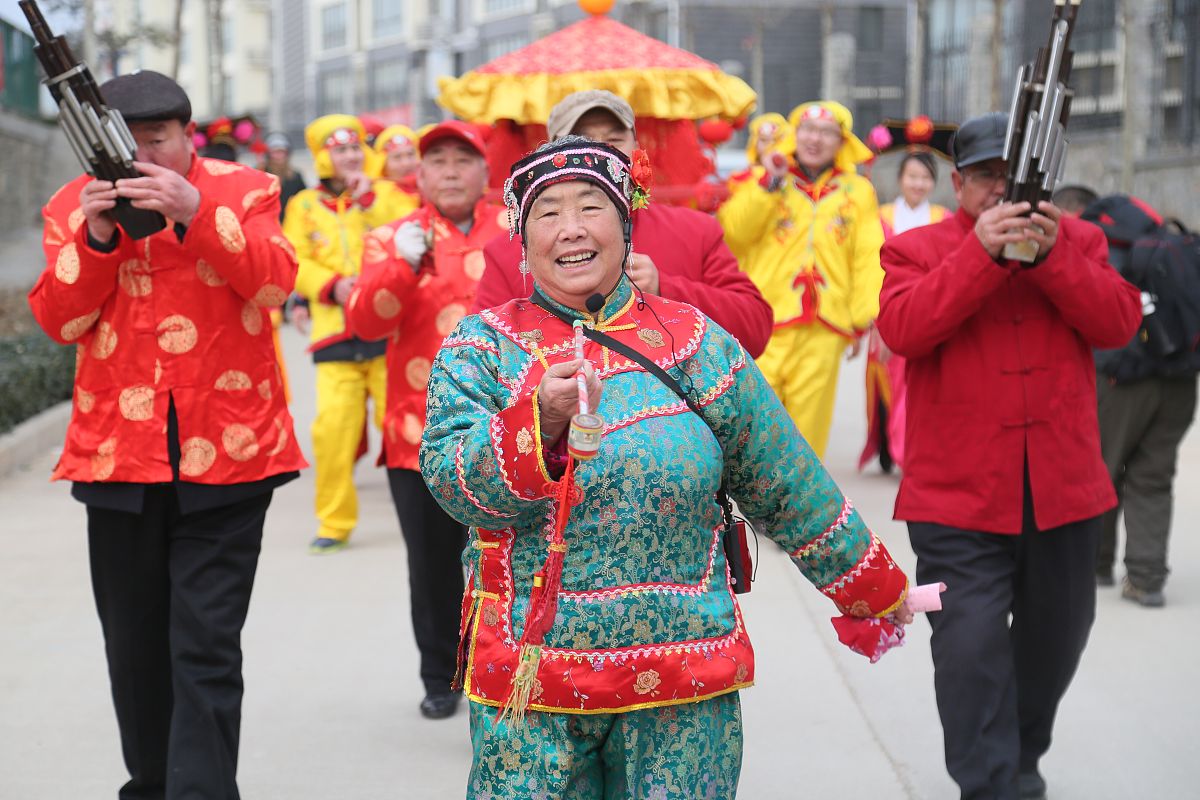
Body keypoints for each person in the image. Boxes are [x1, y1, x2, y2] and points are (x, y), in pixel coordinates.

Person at [420, 135, 914, 798]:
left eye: (591, 207)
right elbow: (454, 484)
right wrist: (539, 422)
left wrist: (873, 588)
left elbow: (783, 479)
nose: (571, 229)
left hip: (686, 673)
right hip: (532, 681)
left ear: (625, 224)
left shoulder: (696, 341)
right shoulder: (481, 349)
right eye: (548, 212)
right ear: (522, 238)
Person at [27, 70, 307, 800]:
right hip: (117, 457)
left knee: (206, 647)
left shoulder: (245, 190)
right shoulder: (71, 205)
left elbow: (277, 285)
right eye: (126, 146)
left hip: (234, 454)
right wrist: (94, 236)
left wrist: (196, 211)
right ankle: (151, 784)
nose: (141, 161)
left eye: (157, 143)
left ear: (188, 136)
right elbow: (60, 320)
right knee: (134, 649)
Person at [876, 112, 1142, 800]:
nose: (1003, 190)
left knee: (1059, 637)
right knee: (968, 652)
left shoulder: (1079, 240)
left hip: (1063, 490)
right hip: (957, 499)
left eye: (1018, 177)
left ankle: (1021, 753)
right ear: (958, 183)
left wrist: (1054, 258)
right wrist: (981, 257)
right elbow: (904, 329)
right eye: (989, 176)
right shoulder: (919, 247)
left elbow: (1117, 321)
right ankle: (990, 783)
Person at [346, 120, 505, 720]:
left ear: (486, 174)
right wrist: (399, 268)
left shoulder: (515, 233)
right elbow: (365, 325)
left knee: (507, 556)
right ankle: (441, 674)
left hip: (509, 428)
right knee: (433, 563)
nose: (451, 171)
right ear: (419, 174)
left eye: (463, 160)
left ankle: (503, 667)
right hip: (420, 434)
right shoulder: (392, 238)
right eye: (437, 160)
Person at [474, 89, 772, 359]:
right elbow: (483, 361)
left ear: (638, 149)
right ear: (551, 157)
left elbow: (755, 332)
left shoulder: (694, 232)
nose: (602, 154)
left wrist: (665, 287)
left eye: (615, 140)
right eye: (583, 142)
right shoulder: (509, 252)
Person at [718, 100, 885, 457]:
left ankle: (799, 508)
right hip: (765, 316)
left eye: (827, 132)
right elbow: (734, 233)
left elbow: (869, 254)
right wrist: (771, 181)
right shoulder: (763, 179)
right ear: (794, 136)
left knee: (805, 431)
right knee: (754, 419)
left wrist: (861, 317)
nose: (815, 139)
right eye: (808, 130)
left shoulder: (857, 190)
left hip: (824, 324)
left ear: (841, 142)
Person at [283, 114, 413, 554]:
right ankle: (334, 522)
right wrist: (329, 285)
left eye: (356, 147)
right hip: (335, 336)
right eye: (340, 150)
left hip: (391, 332)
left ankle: (431, 517)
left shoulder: (389, 196)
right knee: (333, 432)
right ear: (323, 157)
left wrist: (369, 201)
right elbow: (293, 258)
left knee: (402, 429)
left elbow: (411, 233)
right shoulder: (302, 205)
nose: (351, 156)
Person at [1080, 194, 1200, 605]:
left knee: (1101, 469)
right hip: (1182, 378)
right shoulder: (1169, 242)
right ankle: (1147, 579)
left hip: (1123, 380)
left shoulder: (1098, 245)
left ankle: (1095, 566)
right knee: (1154, 476)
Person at [860, 148, 951, 473]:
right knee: (888, 385)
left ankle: (910, 451)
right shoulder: (879, 218)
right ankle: (893, 446)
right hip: (887, 311)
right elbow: (868, 268)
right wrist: (876, 320)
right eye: (913, 176)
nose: (918, 183)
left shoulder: (943, 219)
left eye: (925, 177)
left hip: (926, 311)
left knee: (919, 386)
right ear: (900, 179)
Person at [725, 111, 795, 199]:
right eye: (764, 140)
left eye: (777, 140)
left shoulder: (799, 177)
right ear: (754, 144)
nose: (771, 145)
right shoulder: (739, 179)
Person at [262, 131, 308, 220]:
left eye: (282, 152)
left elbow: (304, 201)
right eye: (275, 152)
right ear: (268, 154)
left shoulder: (295, 177)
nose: (279, 156)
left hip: (291, 224)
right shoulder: (261, 175)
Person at [374, 123, 422, 199]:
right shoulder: (375, 198)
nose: (406, 163)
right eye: (397, 157)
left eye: (410, 154)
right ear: (383, 165)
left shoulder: (431, 191)